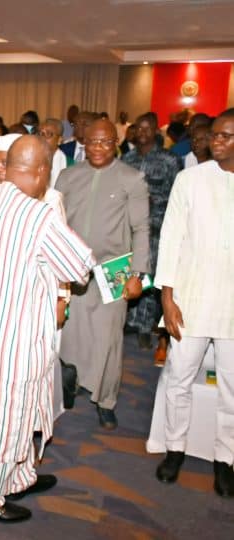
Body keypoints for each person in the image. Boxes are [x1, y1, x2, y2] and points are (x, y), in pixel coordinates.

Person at [0, 135, 94, 523]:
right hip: (13, 338)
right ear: (42, 171)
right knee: (7, 417)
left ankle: (19, 476)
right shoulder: (38, 215)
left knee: (10, 409)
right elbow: (79, 268)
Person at [154, 108, 234, 498]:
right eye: (214, 134)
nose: (215, 141)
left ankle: (225, 459)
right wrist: (167, 298)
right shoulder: (190, 179)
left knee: (232, 391)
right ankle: (174, 449)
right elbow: (170, 239)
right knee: (178, 379)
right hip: (191, 298)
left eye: (225, 136)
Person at [56, 119, 150, 429]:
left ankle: (106, 400)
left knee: (108, 339)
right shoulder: (68, 176)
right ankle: (71, 384)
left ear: (116, 144)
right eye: (93, 142)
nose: (98, 148)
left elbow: (141, 229)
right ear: (84, 143)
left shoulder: (132, 178)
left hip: (115, 270)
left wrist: (138, 273)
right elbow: (54, 223)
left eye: (106, 142)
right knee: (71, 335)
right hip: (73, 269)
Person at [121, 113, 181, 363]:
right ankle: (129, 321)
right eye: (139, 128)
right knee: (128, 272)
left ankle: (145, 327)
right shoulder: (127, 158)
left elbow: (177, 197)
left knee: (150, 276)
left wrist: (154, 203)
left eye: (148, 128)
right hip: (128, 228)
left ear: (156, 130)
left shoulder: (169, 160)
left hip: (156, 227)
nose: (142, 133)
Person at [39, 118, 68, 188]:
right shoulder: (31, 160)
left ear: (59, 140)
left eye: (48, 134)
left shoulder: (71, 165)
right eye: (41, 133)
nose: (42, 138)